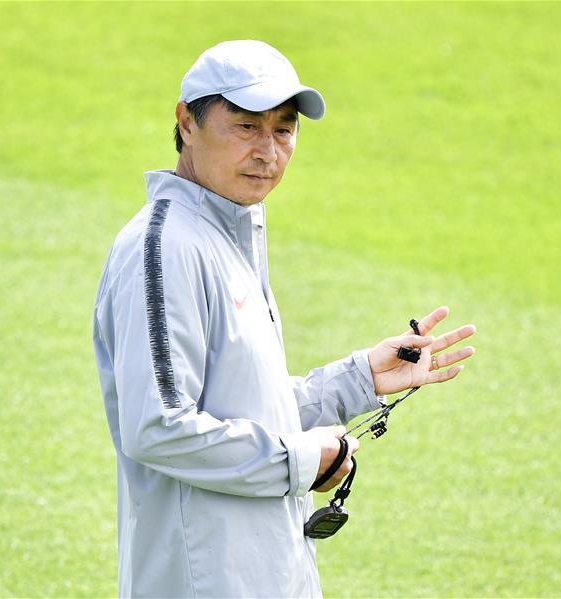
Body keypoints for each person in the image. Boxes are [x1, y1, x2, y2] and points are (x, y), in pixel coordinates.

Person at [92, 40, 476, 598]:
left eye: (284, 129)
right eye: (245, 126)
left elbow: (243, 409)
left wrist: (359, 379)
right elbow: (158, 428)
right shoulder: (166, 247)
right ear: (185, 123)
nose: (267, 151)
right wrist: (302, 459)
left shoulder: (230, 234)